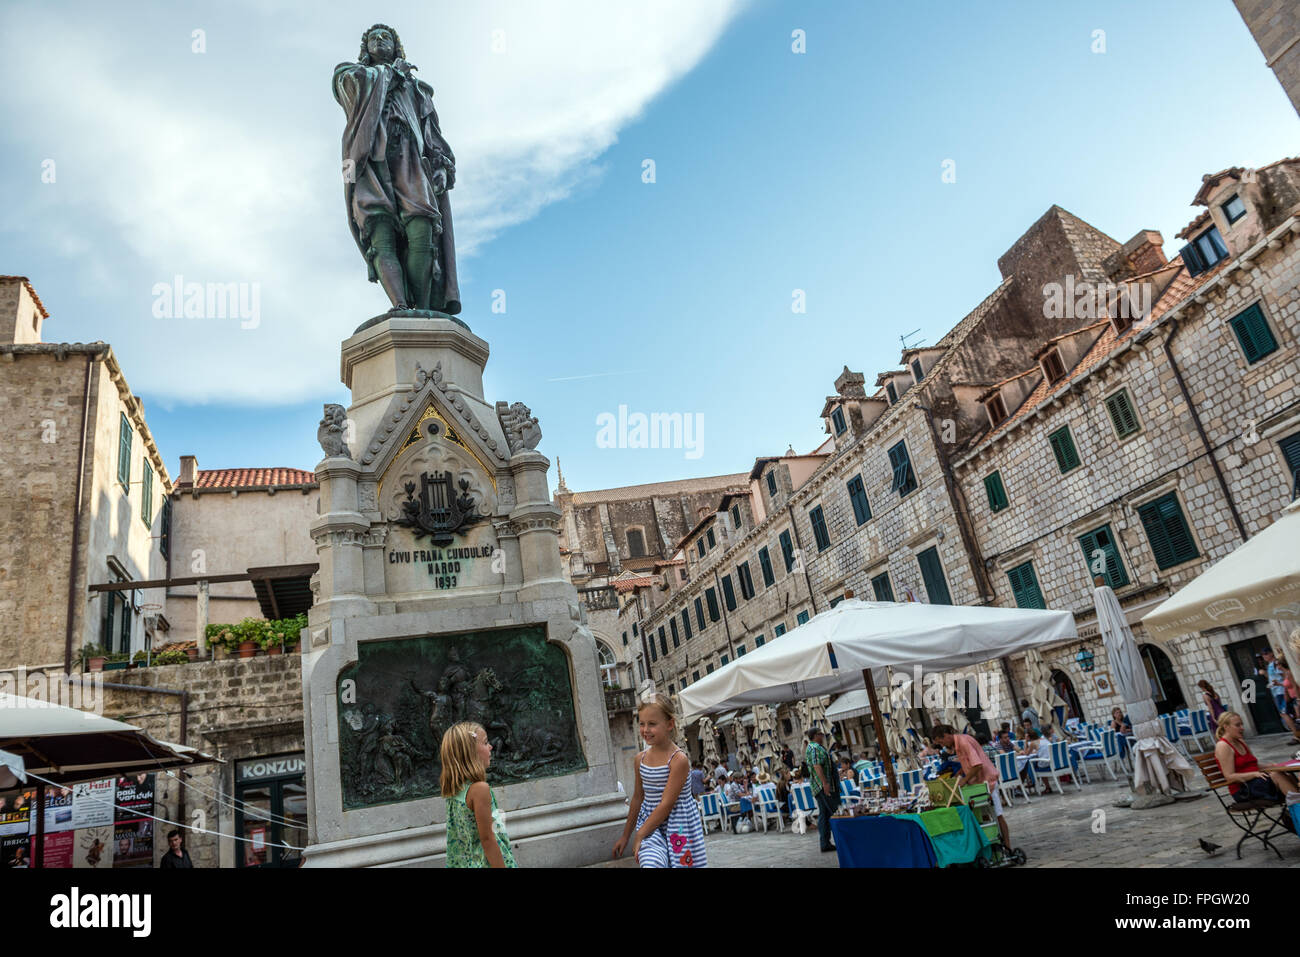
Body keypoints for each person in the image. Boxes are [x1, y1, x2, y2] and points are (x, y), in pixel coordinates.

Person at [614, 695, 707, 867]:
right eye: (642, 724)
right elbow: (637, 798)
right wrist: (626, 836)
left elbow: (666, 804)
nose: (645, 729)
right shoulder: (639, 759)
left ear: (670, 724)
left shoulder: (678, 760)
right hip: (651, 826)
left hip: (679, 825)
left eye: (652, 724)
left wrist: (640, 834)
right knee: (651, 863)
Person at [440, 721, 516, 868]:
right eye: (485, 742)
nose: (491, 747)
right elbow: (487, 839)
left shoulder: (455, 790)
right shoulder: (479, 789)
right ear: (470, 752)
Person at [929, 723, 1011, 850]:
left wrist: (964, 780)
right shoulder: (959, 742)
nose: (942, 746)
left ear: (946, 736)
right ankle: (993, 846)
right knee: (984, 816)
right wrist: (960, 772)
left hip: (987, 781)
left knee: (997, 815)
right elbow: (969, 762)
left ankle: (1008, 846)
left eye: (941, 742)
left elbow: (978, 765)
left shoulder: (963, 742)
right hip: (978, 784)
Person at [1215, 711, 1298, 817]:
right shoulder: (1223, 746)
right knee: (1276, 775)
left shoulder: (1240, 742)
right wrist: (1254, 774)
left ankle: (1295, 813)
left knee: (1286, 773)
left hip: (1257, 783)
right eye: (1237, 725)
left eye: (1242, 724)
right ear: (1226, 727)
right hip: (1244, 790)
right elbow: (1229, 776)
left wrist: (1272, 766)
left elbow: (1252, 765)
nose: (1242, 728)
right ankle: (1297, 811)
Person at [804, 729, 840, 853]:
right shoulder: (814, 748)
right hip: (822, 786)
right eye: (821, 734)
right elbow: (817, 766)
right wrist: (825, 783)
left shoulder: (817, 747)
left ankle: (825, 843)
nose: (823, 736)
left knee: (824, 815)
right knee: (836, 812)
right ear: (815, 736)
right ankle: (841, 840)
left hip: (821, 786)